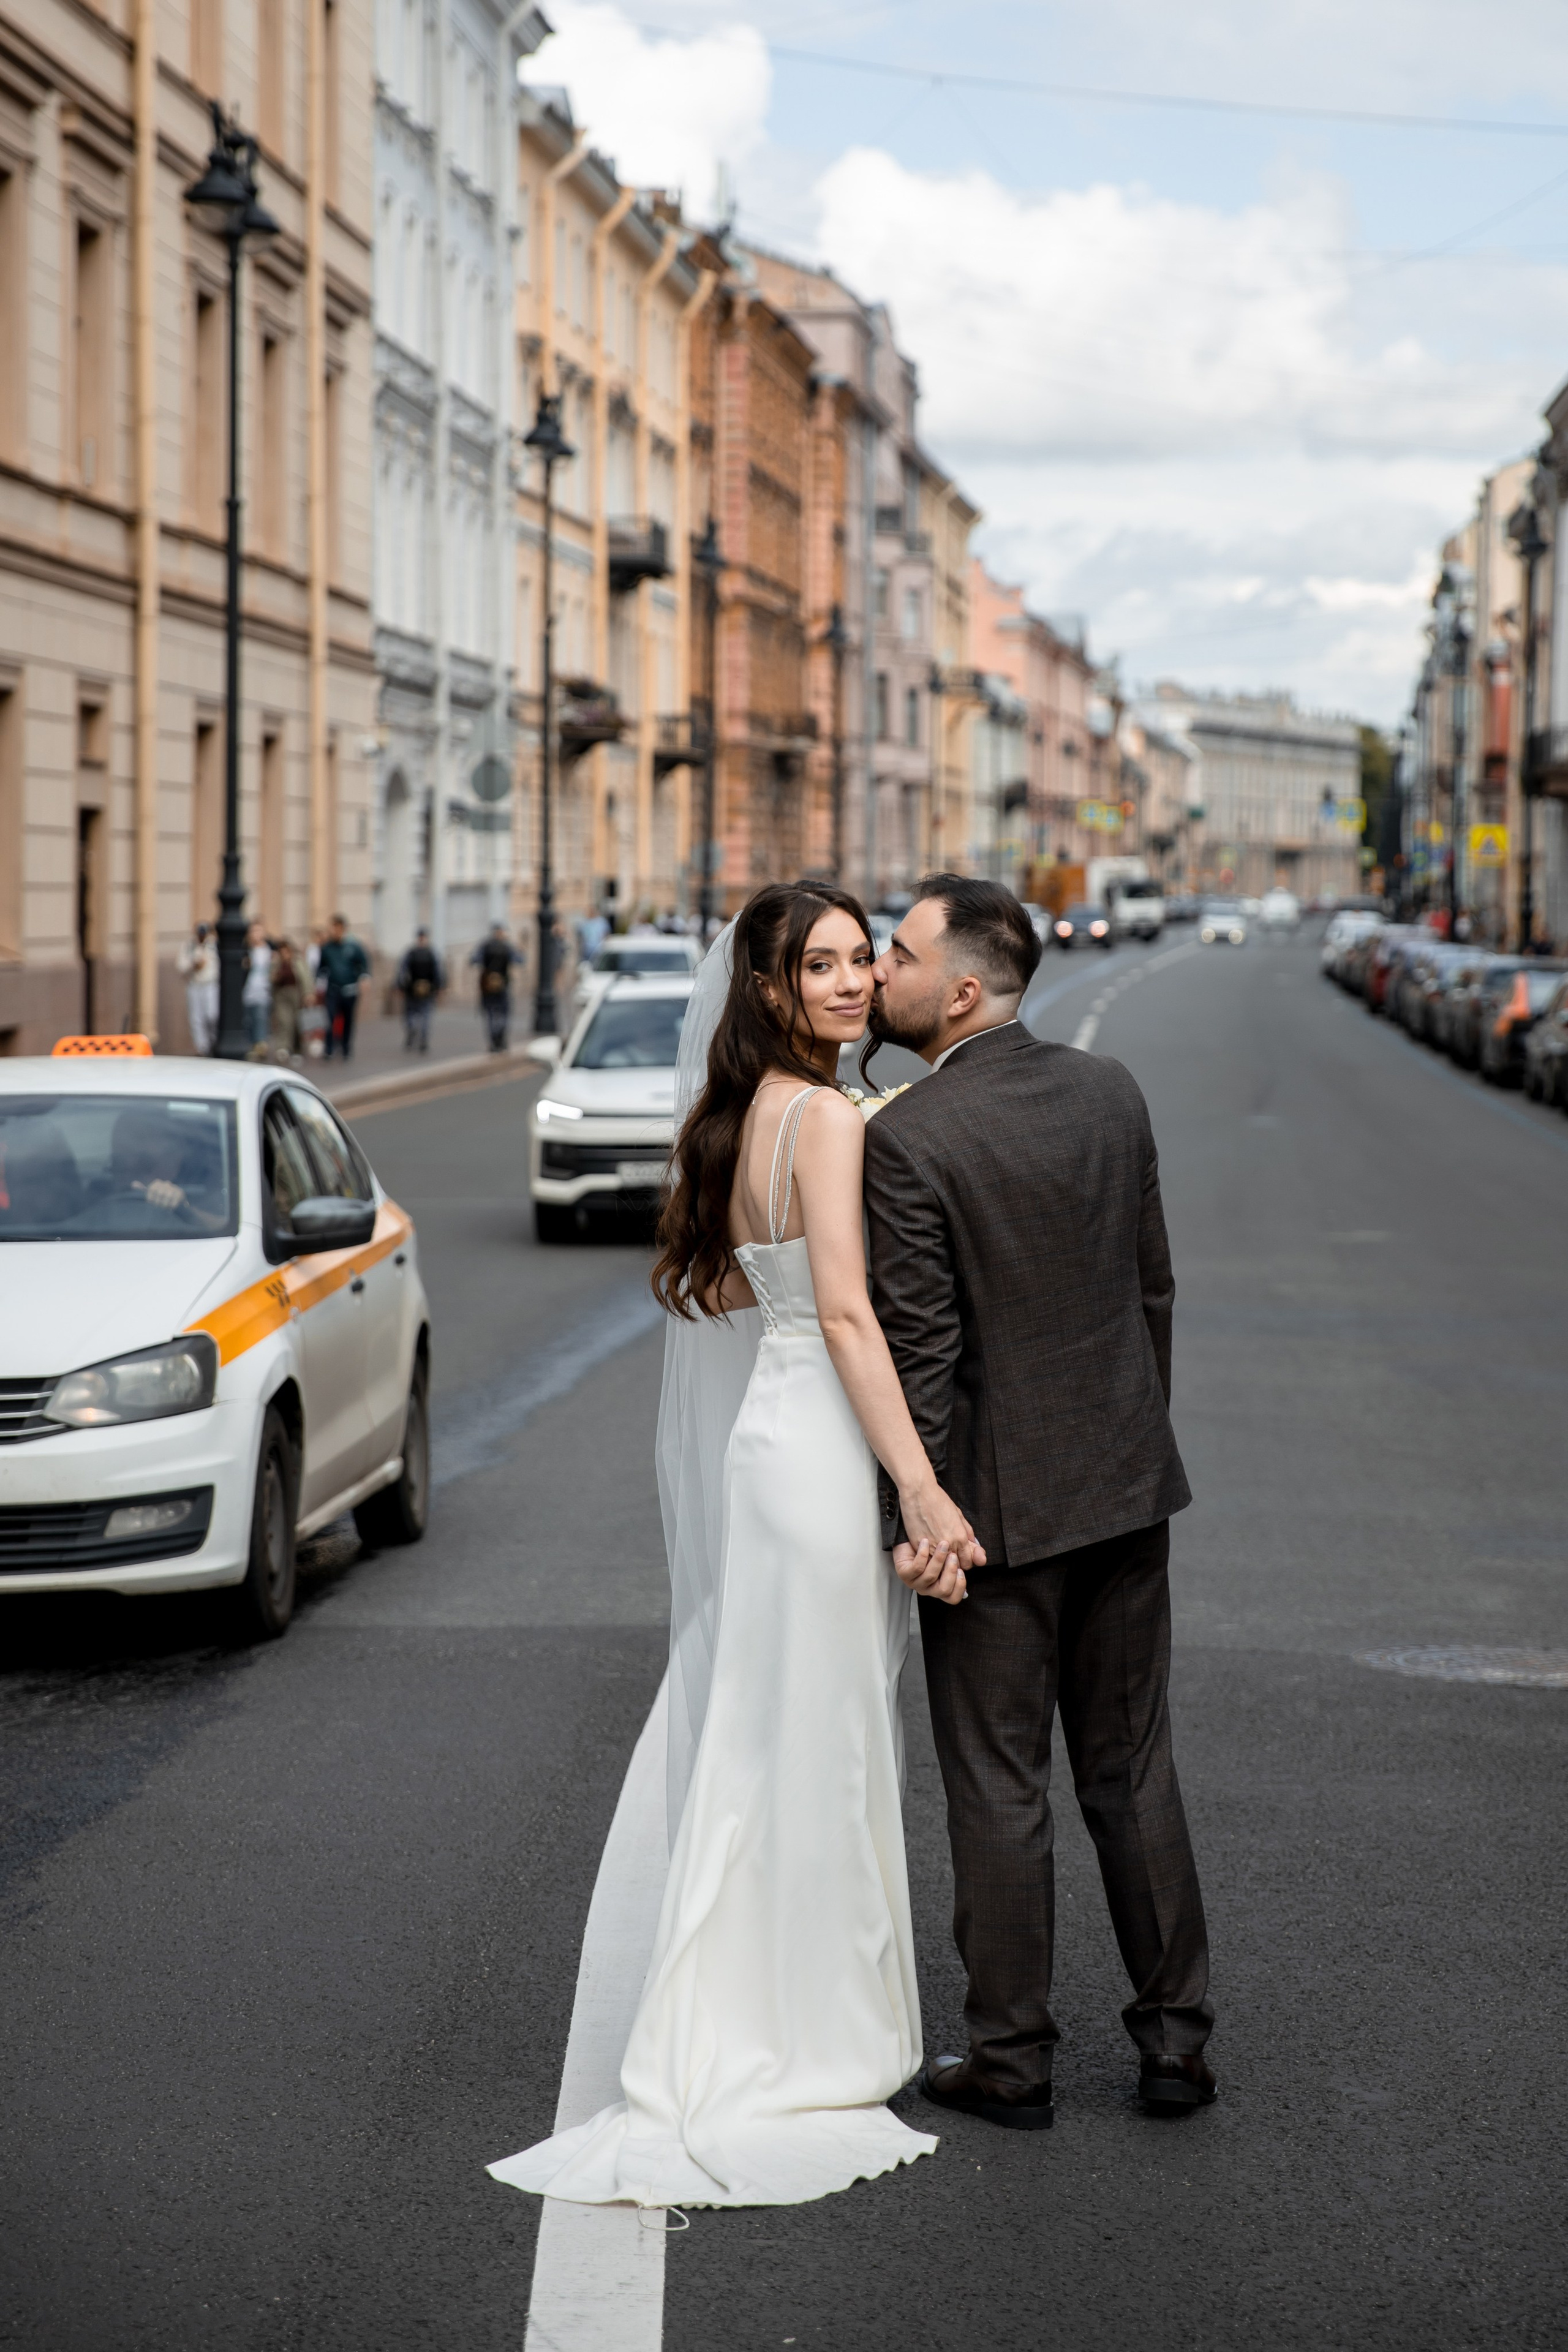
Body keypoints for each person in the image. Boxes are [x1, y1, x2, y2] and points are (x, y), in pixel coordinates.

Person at [489, 881, 980, 2211]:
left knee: (771, 1729)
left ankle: (745, 1997)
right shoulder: (823, 1116)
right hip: (817, 1449)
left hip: (764, 1443)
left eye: (853, 961)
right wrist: (922, 1491)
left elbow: (734, 1289)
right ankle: (796, 2030)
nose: (842, 982)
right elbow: (845, 1317)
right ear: (765, 987)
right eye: (812, 965)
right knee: (817, 1739)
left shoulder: (741, 1115)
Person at [862, 874, 1213, 2128]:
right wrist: (1124, 1444)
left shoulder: (908, 1139)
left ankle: (1010, 2063)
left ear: (958, 991)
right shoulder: (1107, 1093)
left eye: (896, 954)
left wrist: (919, 1515)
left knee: (998, 1785)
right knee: (1130, 1770)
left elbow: (921, 1355)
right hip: (1124, 1493)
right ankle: (1175, 2045)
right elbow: (1151, 1293)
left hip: (993, 1523)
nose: (875, 971)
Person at [316, 913, 371, 1060]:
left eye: (337, 928)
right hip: (333, 990)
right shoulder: (327, 948)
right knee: (330, 1019)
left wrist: (365, 978)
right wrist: (318, 983)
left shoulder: (353, 946)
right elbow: (321, 968)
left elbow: (364, 964)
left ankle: (346, 1047)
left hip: (350, 990)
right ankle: (329, 1048)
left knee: (348, 1020)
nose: (334, 932)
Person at [471, 923, 520, 1052]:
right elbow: (520, 960)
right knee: (503, 1013)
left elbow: (474, 959)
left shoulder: (485, 946)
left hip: (488, 985)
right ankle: (500, 1038)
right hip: (502, 984)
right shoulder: (507, 947)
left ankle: (494, 1040)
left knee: (490, 1014)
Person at [396, 928, 444, 1052]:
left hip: (412, 989)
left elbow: (402, 970)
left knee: (411, 1014)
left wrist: (401, 985)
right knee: (425, 1015)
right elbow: (438, 972)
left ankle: (413, 1031)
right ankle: (423, 1039)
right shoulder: (431, 953)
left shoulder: (411, 953)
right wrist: (439, 987)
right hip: (427, 989)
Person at [176, 922, 219, 1055]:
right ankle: (202, 1048)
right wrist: (193, 964)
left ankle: (214, 1042)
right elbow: (181, 966)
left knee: (211, 1015)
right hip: (194, 984)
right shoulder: (189, 946)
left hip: (210, 984)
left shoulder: (213, 945)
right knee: (196, 1018)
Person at [268, 938, 302, 1060]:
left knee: (296, 1022)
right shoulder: (276, 964)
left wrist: (309, 994)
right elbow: (271, 979)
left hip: (295, 994)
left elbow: (305, 978)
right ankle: (283, 1047)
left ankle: (296, 1048)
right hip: (281, 995)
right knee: (284, 1022)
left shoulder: (297, 962)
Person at [242, 921, 273, 1053]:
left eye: (259, 931)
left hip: (264, 990)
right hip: (248, 990)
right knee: (248, 1019)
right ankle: (250, 1045)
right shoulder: (246, 951)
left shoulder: (270, 950)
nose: (256, 934)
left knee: (260, 1017)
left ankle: (260, 1044)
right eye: (253, 931)